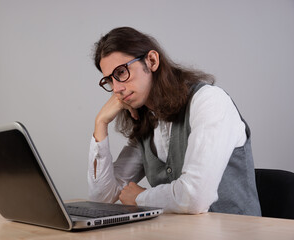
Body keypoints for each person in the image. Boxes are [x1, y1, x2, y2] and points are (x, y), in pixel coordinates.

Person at [87, 26, 261, 216]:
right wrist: (100, 123)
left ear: (151, 61)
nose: (117, 89)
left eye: (121, 72)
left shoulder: (209, 101)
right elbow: (102, 198)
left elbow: (196, 197)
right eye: (110, 81)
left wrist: (139, 198)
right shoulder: (147, 124)